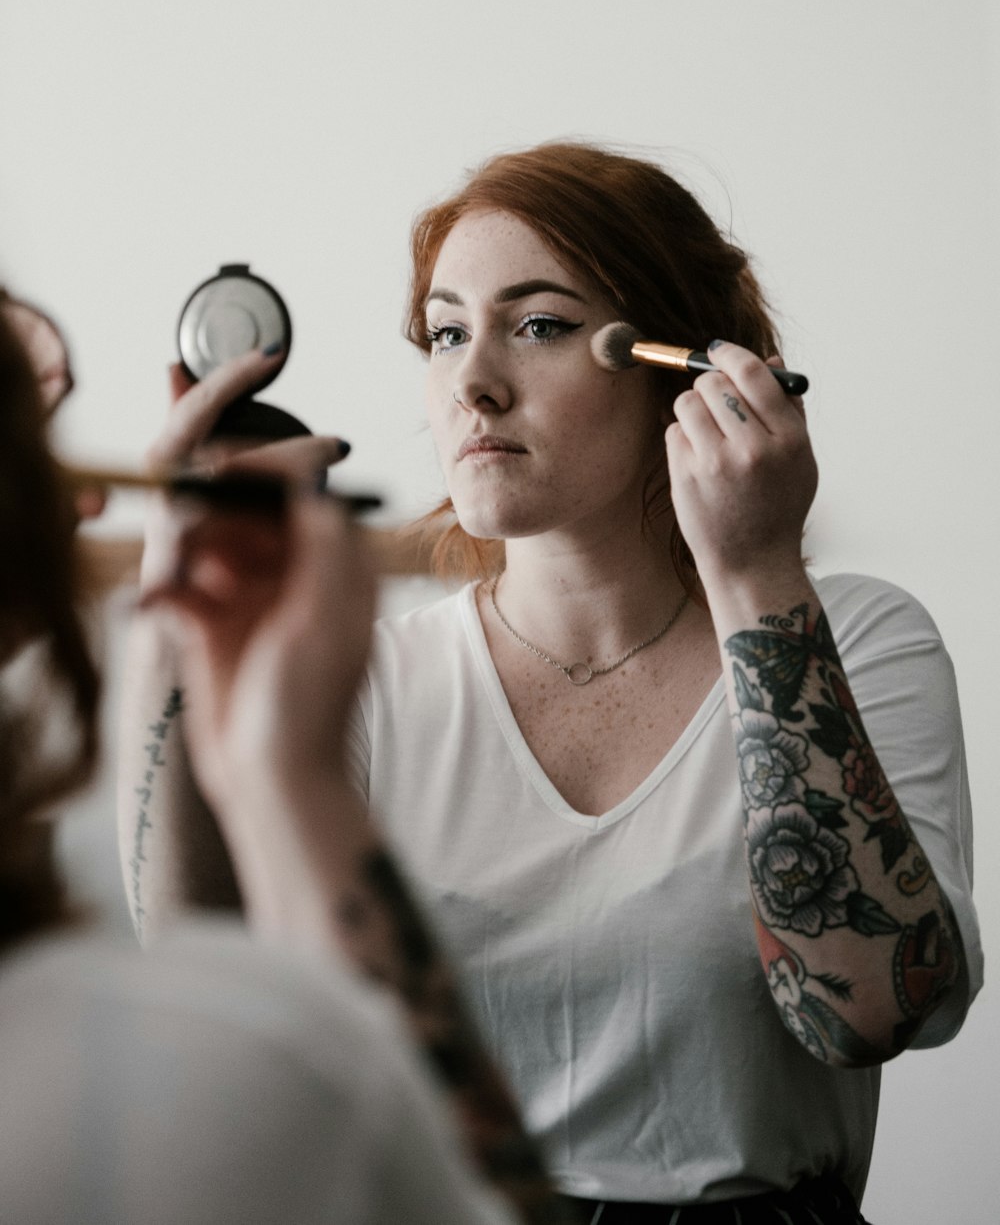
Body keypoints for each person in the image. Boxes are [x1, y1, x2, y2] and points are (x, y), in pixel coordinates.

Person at [121, 140, 983, 1224]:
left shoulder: (852, 638)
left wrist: (757, 573)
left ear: (690, 364)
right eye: (444, 332)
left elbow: (865, 1015)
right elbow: (206, 982)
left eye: (539, 324)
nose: (472, 381)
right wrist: (171, 632)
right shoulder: (369, 679)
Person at [0, 290, 571, 1225]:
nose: (95, 498)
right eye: (39, 450)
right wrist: (284, 774)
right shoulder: (207, 1076)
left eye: (541, 324)